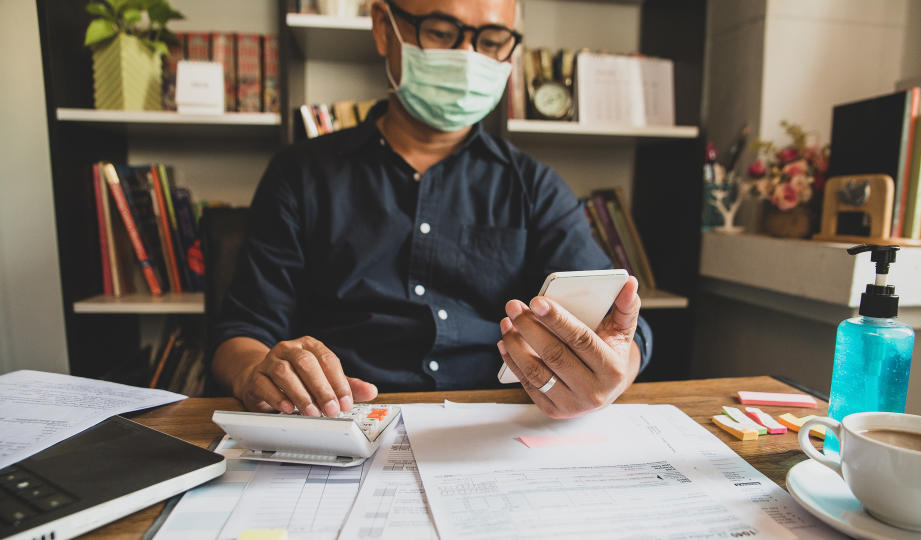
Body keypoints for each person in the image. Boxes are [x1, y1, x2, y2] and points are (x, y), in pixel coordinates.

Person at [212, 0, 652, 420]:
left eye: (493, 41)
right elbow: (242, 332)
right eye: (442, 32)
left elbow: (619, 327)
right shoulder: (299, 174)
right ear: (385, 28)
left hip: (491, 429)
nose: (467, 58)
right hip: (341, 421)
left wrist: (615, 368)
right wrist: (256, 372)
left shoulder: (533, 186)